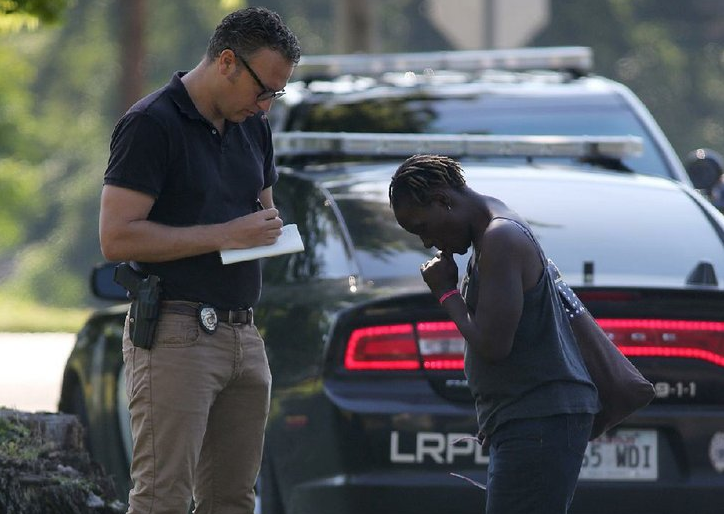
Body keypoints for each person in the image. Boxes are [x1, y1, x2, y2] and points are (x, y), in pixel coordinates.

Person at [98, 7, 300, 513]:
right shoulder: (151, 123)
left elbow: (262, 213)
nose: (266, 106)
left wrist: (266, 230)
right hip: (175, 331)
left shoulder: (252, 126)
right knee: (163, 498)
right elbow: (117, 237)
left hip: (244, 334)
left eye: (276, 95)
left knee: (233, 500)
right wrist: (225, 236)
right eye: (263, 91)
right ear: (228, 61)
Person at [389, 154, 600, 514]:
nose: (426, 242)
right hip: (527, 417)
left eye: (422, 227)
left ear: (443, 200)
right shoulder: (491, 234)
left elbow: (493, 344)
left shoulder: (500, 237)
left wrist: (446, 292)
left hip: (539, 421)